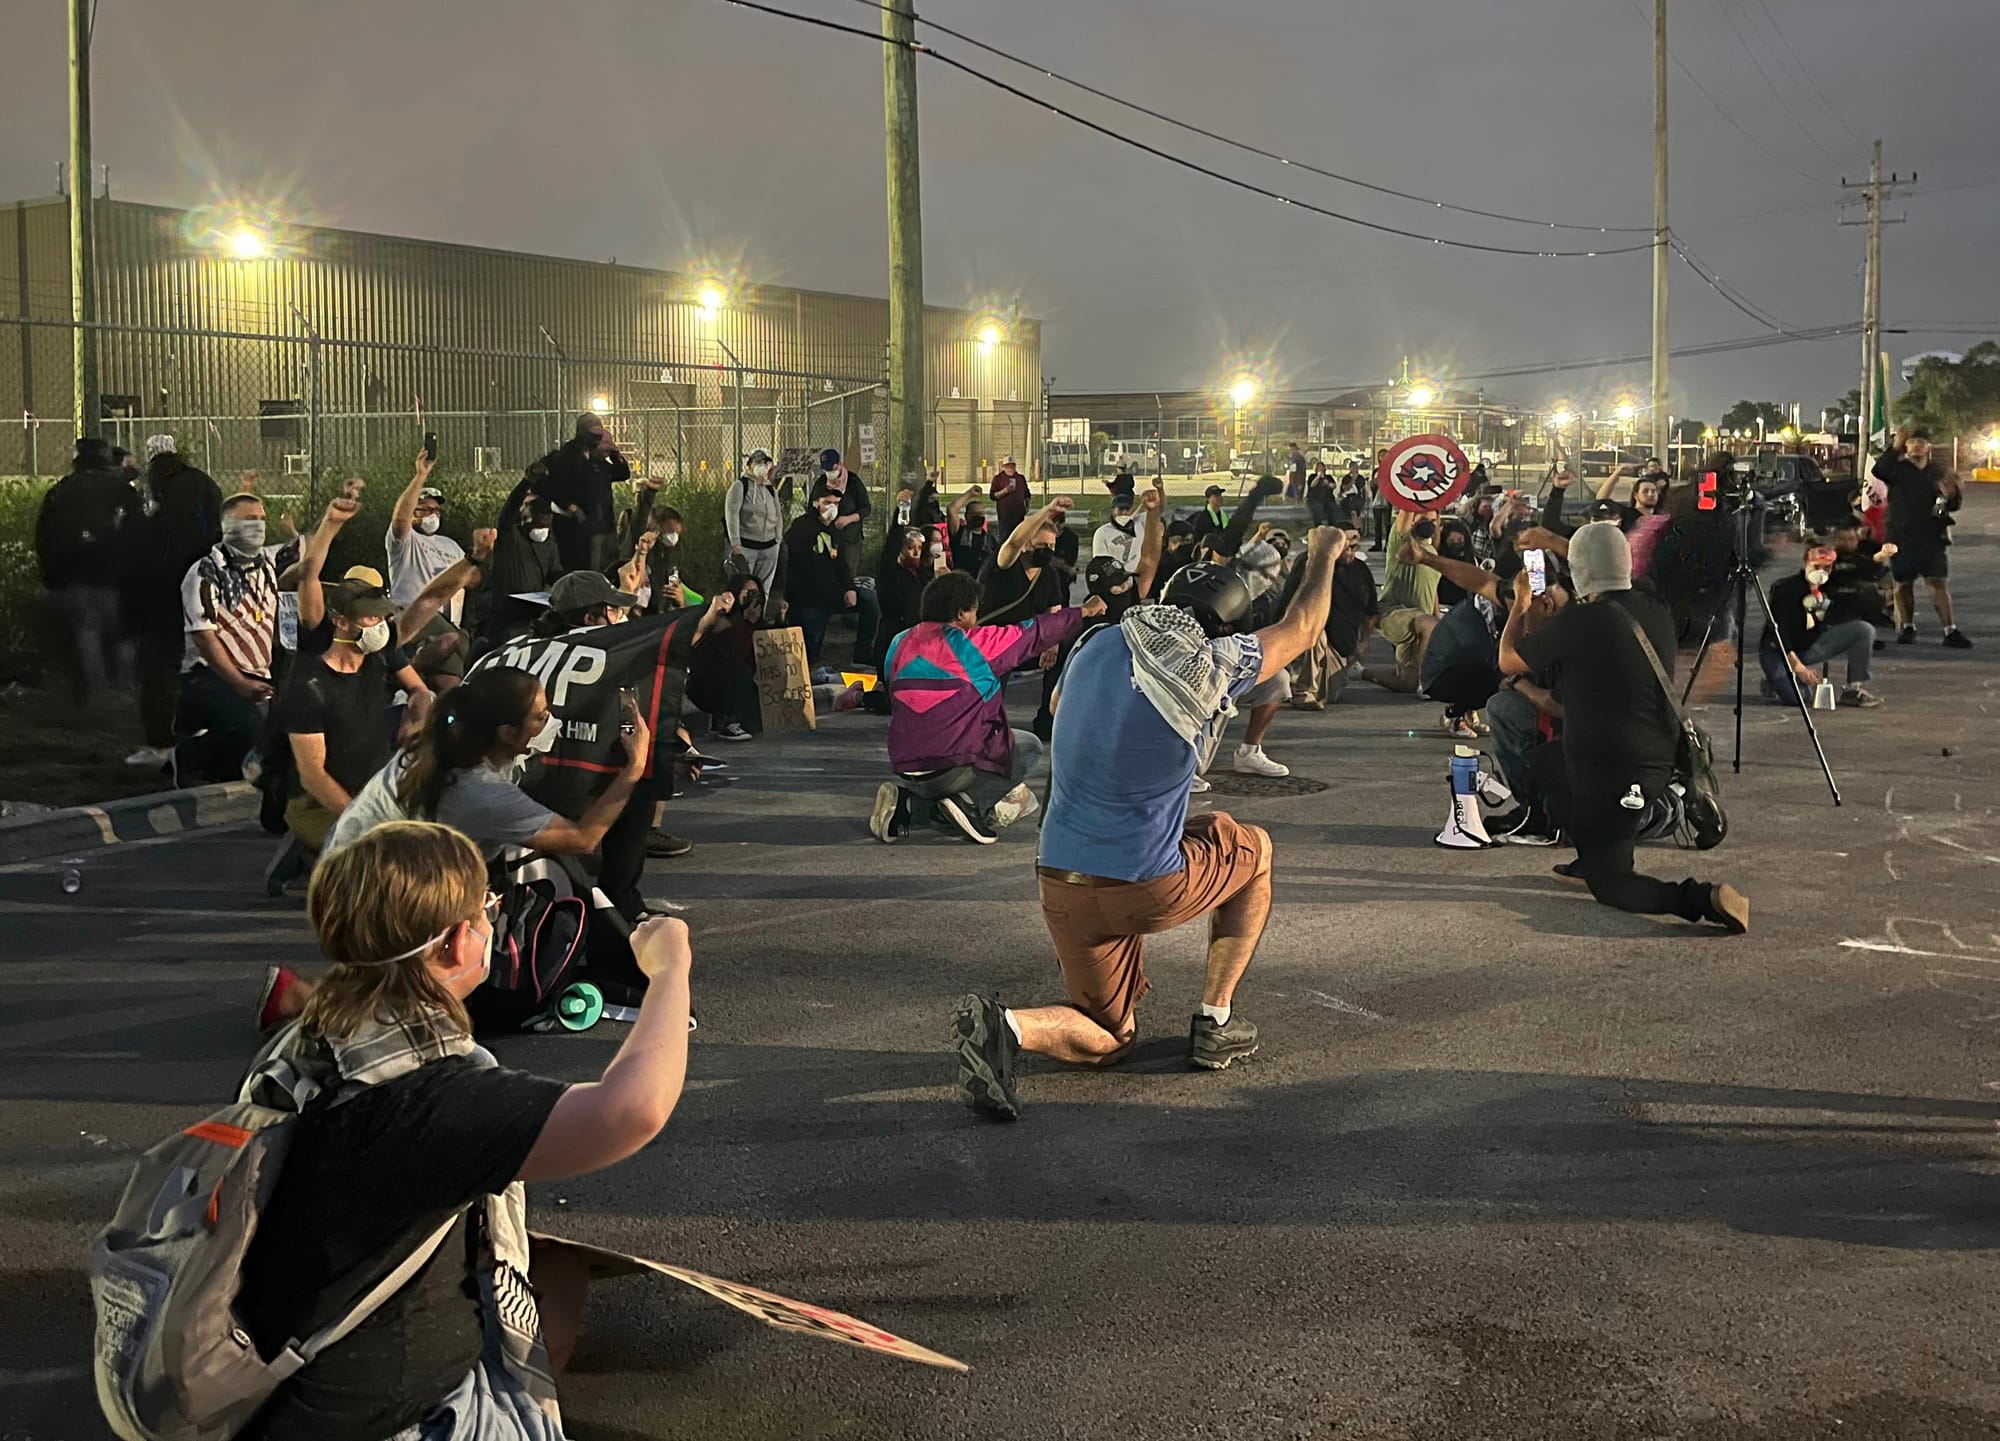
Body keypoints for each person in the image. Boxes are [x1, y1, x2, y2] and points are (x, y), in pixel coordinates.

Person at [235, 821, 692, 1439]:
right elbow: (631, 1110)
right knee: (539, 1332)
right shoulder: (427, 1091)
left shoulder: (313, 1041)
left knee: (555, 1278)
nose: (492, 921)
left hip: (275, 1371)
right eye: (487, 910)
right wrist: (670, 972)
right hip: (389, 1416)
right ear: (455, 943)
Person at [947, 525, 1348, 1120]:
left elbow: (1059, 710)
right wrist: (1323, 555)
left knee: (1108, 1035)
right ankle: (1216, 1021)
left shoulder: (1096, 644)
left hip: (1061, 881)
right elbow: (1304, 629)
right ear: (1221, 626)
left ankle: (1009, 1028)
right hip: (1143, 886)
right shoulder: (1213, 661)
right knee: (1253, 847)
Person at [1499, 521, 1750, 932]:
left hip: (1613, 771)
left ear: (1578, 570)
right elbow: (1604, 571)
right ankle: (1599, 847)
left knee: (1613, 885)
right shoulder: (1653, 607)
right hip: (1654, 757)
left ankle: (1702, 898)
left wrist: (1520, 604)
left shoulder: (1583, 620)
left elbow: (1508, 661)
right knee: (1546, 764)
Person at [871, 570, 1104, 845]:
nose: (975, 620)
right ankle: (971, 804)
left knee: (944, 747)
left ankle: (907, 802)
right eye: (973, 613)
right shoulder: (974, 644)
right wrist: (1083, 612)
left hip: (905, 763)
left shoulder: (899, 643)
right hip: (951, 767)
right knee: (1029, 746)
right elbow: (1034, 633)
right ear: (960, 614)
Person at [277, 577, 424, 861]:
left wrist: (415, 716)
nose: (381, 625)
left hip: (374, 793)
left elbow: (419, 690)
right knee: (392, 858)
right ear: (341, 623)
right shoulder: (310, 687)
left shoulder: (378, 661)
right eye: (371, 617)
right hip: (319, 806)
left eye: (383, 616)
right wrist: (362, 818)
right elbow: (313, 776)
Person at [122, 433, 222, 764]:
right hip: (202, 584)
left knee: (158, 667)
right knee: (202, 656)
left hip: (161, 591)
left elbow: (140, 539)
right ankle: (201, 729)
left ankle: (162, 742)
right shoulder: (202, 482)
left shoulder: (152, 490)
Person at [174, 492, 280, 785]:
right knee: (246, 724)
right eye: (249, 520)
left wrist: (333, 523)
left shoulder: (265, 565)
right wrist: (240, 684)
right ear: (227, 526)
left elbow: (307, 558)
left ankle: (230, 772)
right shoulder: (205, 572)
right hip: (209, 672)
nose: (258, 526)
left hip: (257, 669)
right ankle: (192, 757)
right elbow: (205, 638)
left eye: (262, 519)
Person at [34, 436, 138, 709]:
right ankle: (124, 691)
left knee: (87, 632)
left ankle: (97, 694)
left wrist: (51, 575)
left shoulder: (63, 489)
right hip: (119, 575)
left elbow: (45, 535)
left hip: (75, 574)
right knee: (125, 633)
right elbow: (140, 528)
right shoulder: (121, 489)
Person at [1872, 429, 1970, 648]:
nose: (1916, 445)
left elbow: (1948, 506)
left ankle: (1949, 630)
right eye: (1912, 441)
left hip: (1932, 536)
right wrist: (1895, 445)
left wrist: (1950, 496)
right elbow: (1878, 470)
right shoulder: (1897, 470)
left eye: (1921, 441)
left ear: (1928, 446)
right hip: (1901, 536)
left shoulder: (1939, 472)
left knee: (1937, 583)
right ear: (1906, 447)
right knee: (1903, 585)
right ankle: (1907, 627)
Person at [1759, 544, 1882, 708]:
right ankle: (1775, 681)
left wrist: (1880, 556)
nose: (1821, 572)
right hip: (1779, 652)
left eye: (1827, 567)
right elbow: (1778, 632)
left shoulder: (1830, 584)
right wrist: (1798, 668)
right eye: (1816, 567)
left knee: (1863, 630)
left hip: (1812, 644)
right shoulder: (1786, 589)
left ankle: (1853, 689)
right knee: (1801, 699)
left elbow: (1860, 573)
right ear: (1805, 564)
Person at [781, 484, 875, 670]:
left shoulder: (834, 530)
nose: (832, 507)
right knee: (810, 652)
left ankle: (863, 652)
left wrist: (849, 588)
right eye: (827, 502)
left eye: (836, 503)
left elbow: (841, 564)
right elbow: (795, 566)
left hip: (833, 590)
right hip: (809, 596)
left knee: (870, 600)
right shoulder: (802, 527)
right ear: (816, 503)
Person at [1291, 521, 1375, 708]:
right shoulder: (1311, 566)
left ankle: (1306, 687)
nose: (1352, 550)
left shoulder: (1360, 570)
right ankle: (1302, 689)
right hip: (1312, 641)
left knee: (1328, 696)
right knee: (1316, 633)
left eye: (1355, 546)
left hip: (1342, 654)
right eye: (1347, 545)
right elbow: (1288, 605)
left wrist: (1363, 642)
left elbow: (1371, 612)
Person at [538, 412, 631, 574]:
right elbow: (552, 485)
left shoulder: (599, 464)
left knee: (609, 567)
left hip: (604, 526)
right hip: (582, 528)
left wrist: (615, 453)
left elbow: (623, 473)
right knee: (589, 572)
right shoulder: (570, 455)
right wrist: (569, 506)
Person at [1360, 510, 1440, 694]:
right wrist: (1413, 491)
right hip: (1392, 612)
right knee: (1428, 624)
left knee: (1406, 683)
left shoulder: (1432, 552)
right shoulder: (1401, 542)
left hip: (1420, 624)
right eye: (1423, 518)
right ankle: (1426, 680)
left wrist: (1437, 617)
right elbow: (1406, 508)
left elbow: (1433, 588)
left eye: (1433, 520)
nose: (1429, 522)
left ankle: (1360, 672)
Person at [686, 572, 767, 741]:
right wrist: (745, 623)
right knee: (738, 671)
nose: (752, 598)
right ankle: (729, 720)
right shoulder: (721, 620)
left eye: (756, 594)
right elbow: (734, 654)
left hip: (740, 683)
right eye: (748, 593)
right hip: (711, 684)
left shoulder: (757, 621)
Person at [483, 491, 565, 646]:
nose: (542, 530)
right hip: (506, 610)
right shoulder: (511, 538)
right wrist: (526, 483)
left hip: (533, 608)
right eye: (539, 525)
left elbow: (553, 572)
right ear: (526, 520)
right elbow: (507, 514)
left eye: (547, 526)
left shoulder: (549, 542)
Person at [978, 495, 1074, 627]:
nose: (1047, 550)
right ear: (1025, 545)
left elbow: (1053, 613)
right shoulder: (1004, 564)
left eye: (1051, 546)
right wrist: (1048, 511)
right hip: (995, 639)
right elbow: (1014, 543)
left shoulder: (1050, 574)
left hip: (1027, 642)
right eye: (1041, 545)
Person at [872, 523, 945, 674]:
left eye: (919, 548)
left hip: (915, 635)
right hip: (893, 634)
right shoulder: (891, 572)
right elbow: (890, 549)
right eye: (911, 548)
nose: (915, 552)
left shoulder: (922, 574)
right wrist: (900, 520)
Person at [725, 447, 785, 589]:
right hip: (747, 546)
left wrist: (778, 538)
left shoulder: (770, 489)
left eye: (765, 463)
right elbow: (732, 514)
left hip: (769, 546)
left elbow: (778, 513)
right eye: (758, 462)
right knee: (745, 588)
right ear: (749, 464)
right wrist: (735, 543)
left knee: (764, 589)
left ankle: (761, 612)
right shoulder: (740, 486)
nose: (762, 466)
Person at [817, 448, 871, 577]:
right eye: (827, 470)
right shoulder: (821, 483)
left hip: (850, 539)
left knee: (847, 576)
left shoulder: (853, 482)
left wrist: (848, 519)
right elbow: (811, 507)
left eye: (832, 469)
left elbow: (866, 508)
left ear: (840, 464)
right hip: (827, 538)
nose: (830, 473)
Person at [1092, 489, 1145, 573]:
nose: (1124, 512)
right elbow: (1101, 563)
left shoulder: (1139, 524)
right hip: (1116, 578)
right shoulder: (1103, 532)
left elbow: (1158, 509)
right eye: (1120, 509)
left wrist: (1159, 491)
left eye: (1127, 509)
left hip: (1137, 577)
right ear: (1112, 510)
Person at [946, 486, 994, 575]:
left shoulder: (990, 541)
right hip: (962, 581)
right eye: (974, 514)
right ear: (966, 516)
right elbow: (951, 509)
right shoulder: (959, 533)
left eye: (980, 514)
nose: (978, 517)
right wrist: (969, 494)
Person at [989, 454, 1030, 536]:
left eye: (1012, 466)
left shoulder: (1020, 478)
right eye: (1008, 466)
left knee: (1018, 537)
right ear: (1003, 467)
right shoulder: (998, 479)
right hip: (1005, 516)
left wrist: (1027, 508)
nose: (1010, 468)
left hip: (1019, 515)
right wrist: (1004, 491)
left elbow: (1027, 495)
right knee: (1005, 538)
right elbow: (992, 496)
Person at [1306, 460, 1338, 527]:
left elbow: (1334, 486)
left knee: (1333, 508)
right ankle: (1318, 526)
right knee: (1318, 508)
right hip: (1314, 499)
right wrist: (1318, 477)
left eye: (1322, 467)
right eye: (1319, 467)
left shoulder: (1328, 477)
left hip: (1327, 499)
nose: (1320, 469)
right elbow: (1312, 485)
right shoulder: (1312, 476)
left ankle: (1332, 526)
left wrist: (1328, 483)